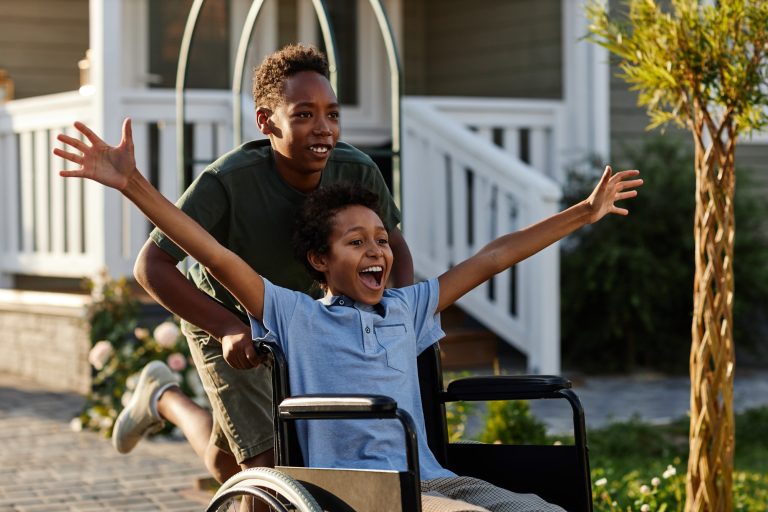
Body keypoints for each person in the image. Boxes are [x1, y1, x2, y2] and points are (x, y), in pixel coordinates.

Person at [54, 115, 642, 511]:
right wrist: (133, 184)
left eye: (381, 240)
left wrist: (581, 213)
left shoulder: (408, 309)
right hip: (357, 493)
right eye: (356, 242)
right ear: (319, 259)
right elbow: (212, 252)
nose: (377, 251)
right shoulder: (292, 315)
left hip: (433, 480)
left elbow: (491, 258)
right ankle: (165, 399)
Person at [106, 44, 414, 483]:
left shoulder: (357, 169)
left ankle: (162, 397)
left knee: (227, 463)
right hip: (226, 317)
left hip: (296, 319)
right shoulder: (226, 182)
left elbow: (395, 245)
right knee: (268, 463)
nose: (323, 128)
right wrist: (226, 327)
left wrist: (397, 315)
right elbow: (151, 266)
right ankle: (171, 397)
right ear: (266, 122)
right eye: (305, 114)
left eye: (332, 114)